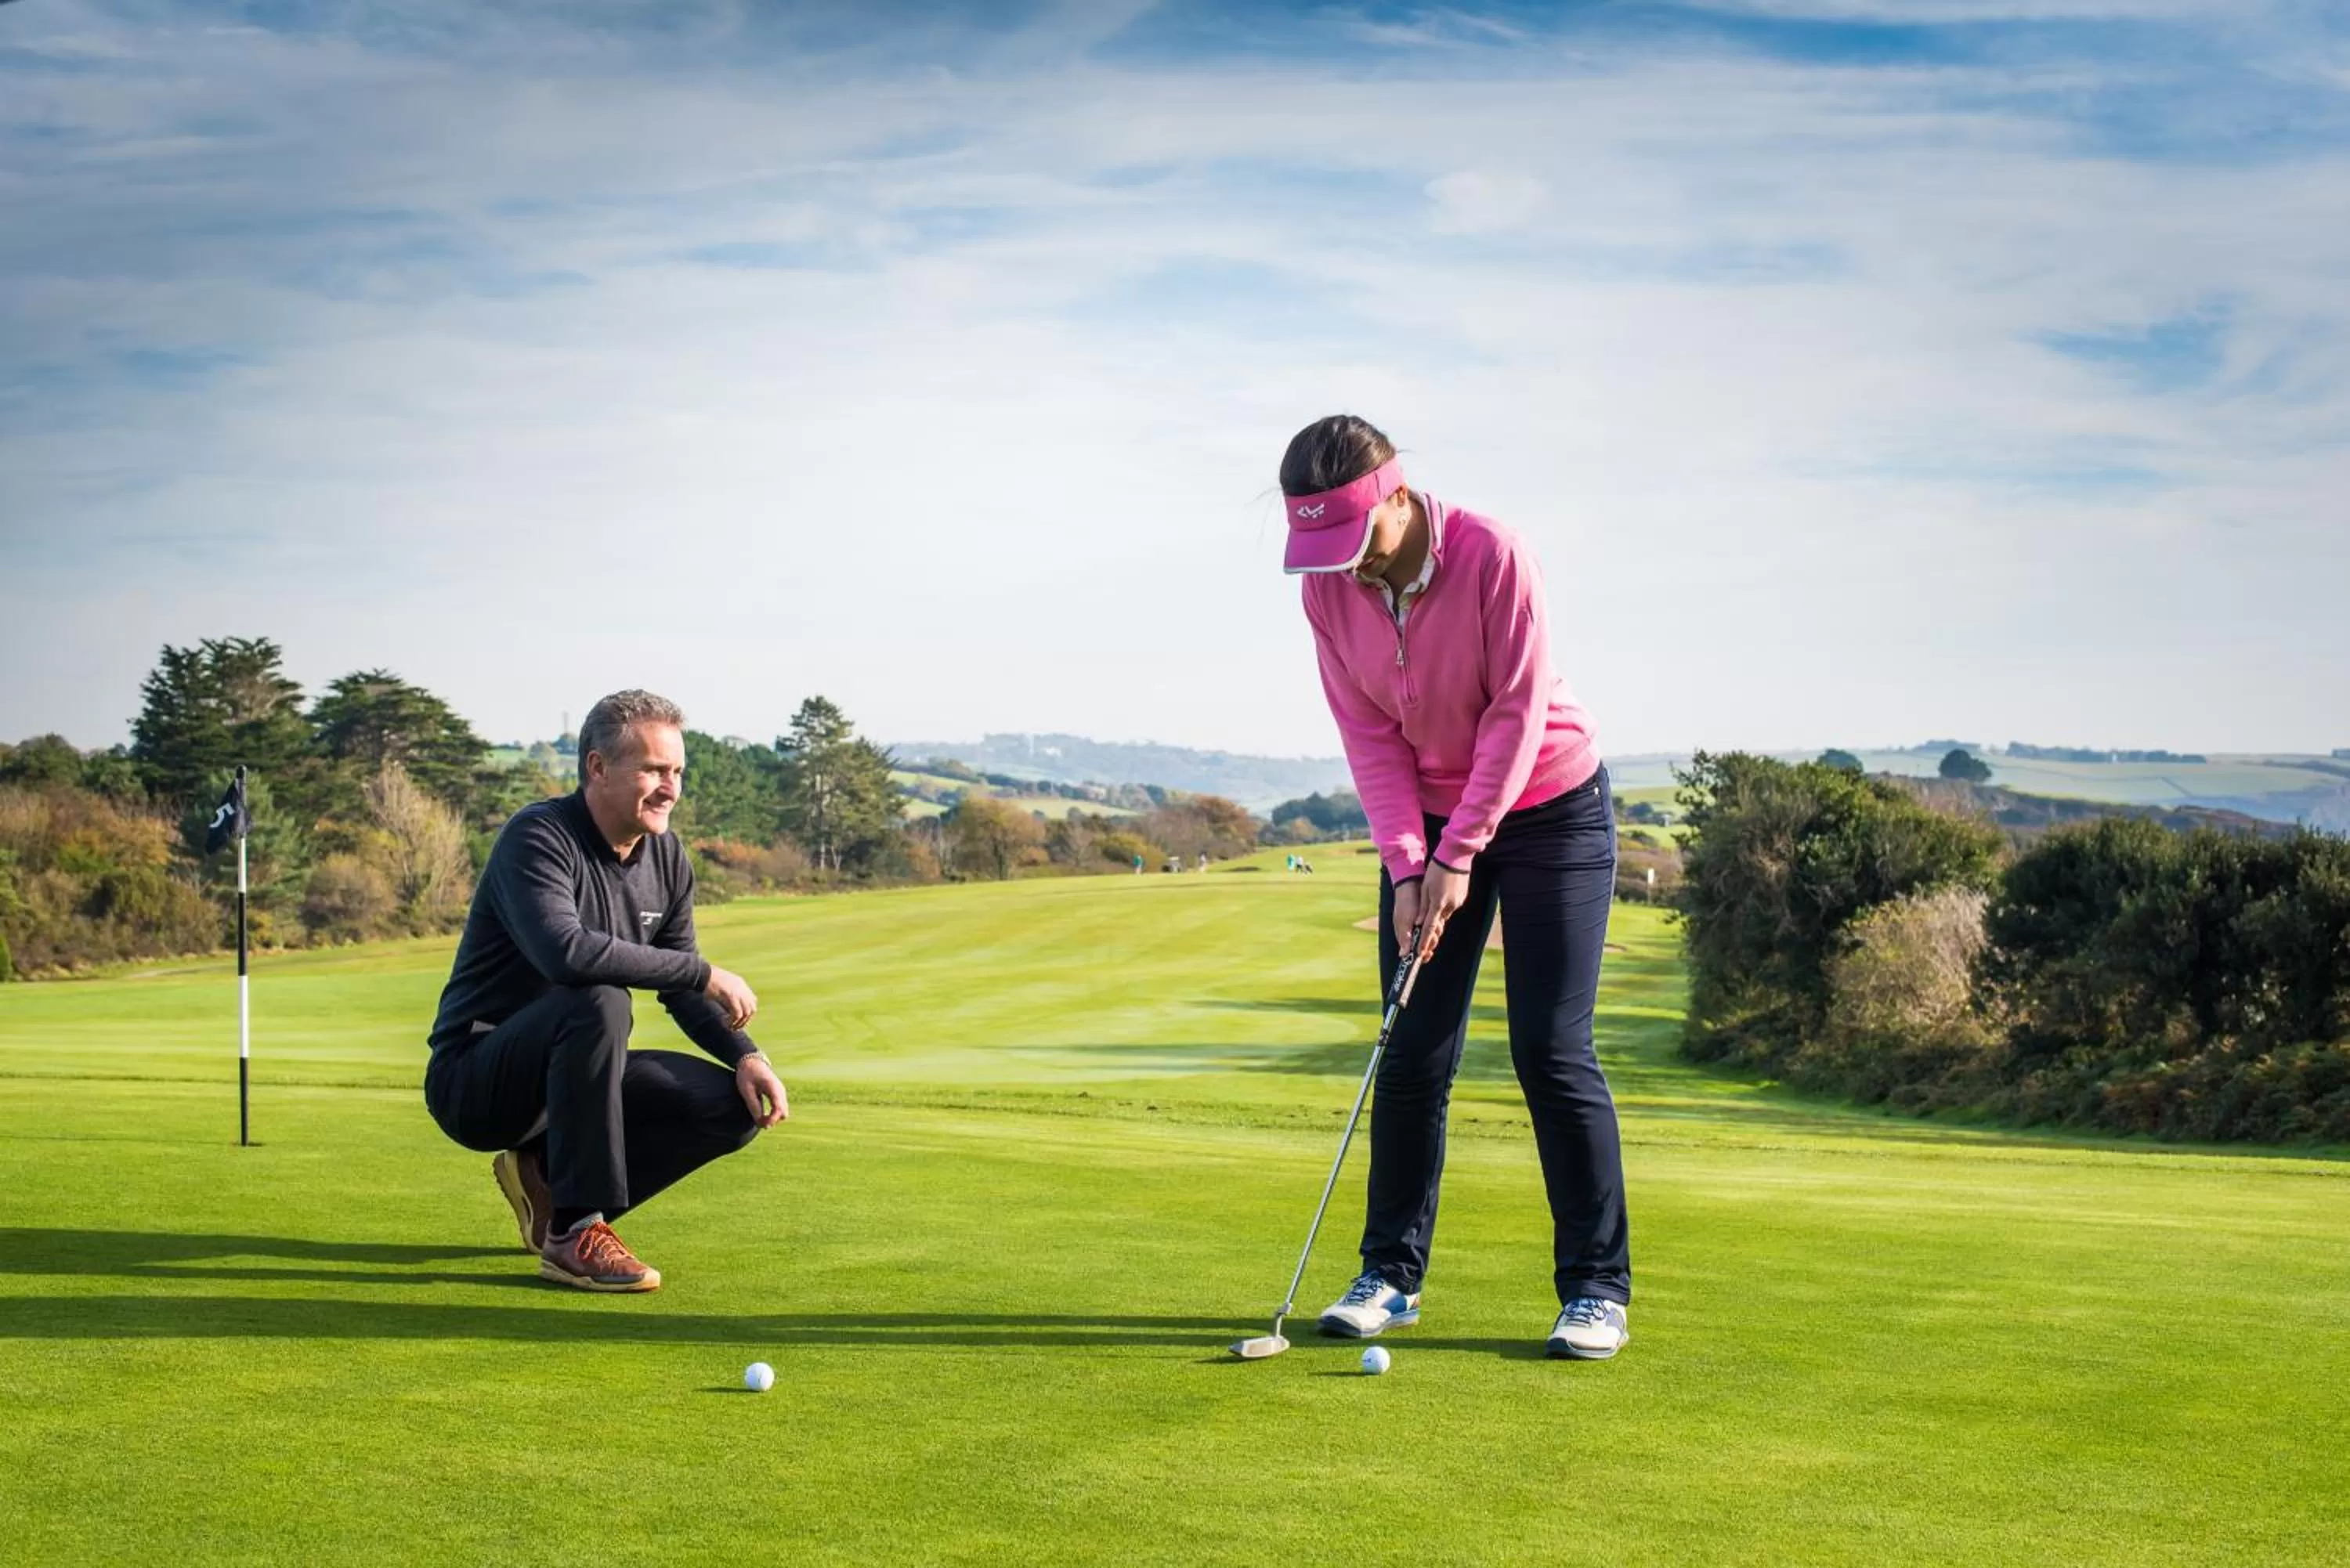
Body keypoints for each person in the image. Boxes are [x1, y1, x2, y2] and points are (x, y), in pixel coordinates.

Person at [1280, 414, 1631, 1360]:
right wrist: (1406, 863)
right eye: (1318, 547)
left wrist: (1458, 854)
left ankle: (1596, 1290)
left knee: (1550, 1049)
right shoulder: (1327, 592)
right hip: (1431, 822)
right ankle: (1390, 1275)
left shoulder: (1494, 554)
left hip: (1551, 802)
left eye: (1351, 540)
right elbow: (1370, 734)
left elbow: (1517, 716)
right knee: (1410, 1047)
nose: (1340, 565)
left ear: (1396, 496)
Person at [422, 689, 788, 1292]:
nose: (670, 787)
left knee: (729, 1107)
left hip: (575, 1078)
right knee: (599, 998)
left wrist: (747, 1056)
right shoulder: (538, 837)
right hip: (478, 1080)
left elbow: (680, 985)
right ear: (597, 767)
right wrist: (701, 971)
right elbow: (565, 952)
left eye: (677, 772)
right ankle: (574, 1234)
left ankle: (547, 1186)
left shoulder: (666, 858)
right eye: (652, 770)